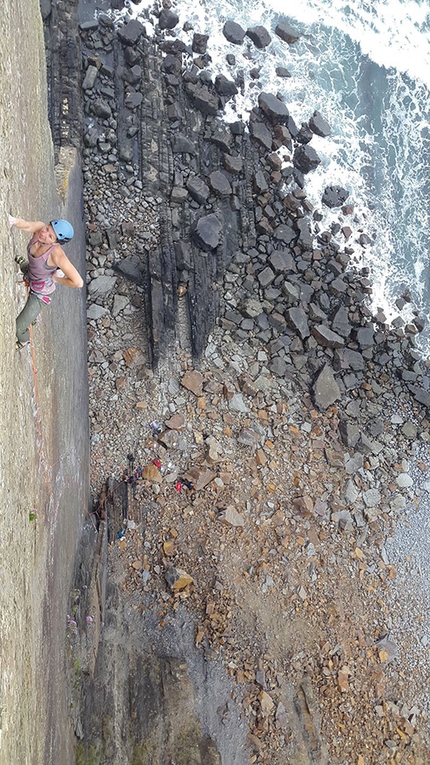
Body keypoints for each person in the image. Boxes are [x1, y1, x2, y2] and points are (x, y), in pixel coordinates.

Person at [9, 215, 84, 348]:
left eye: (51, 236)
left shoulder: (57, 255)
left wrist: (56, 279)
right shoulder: (39, 228)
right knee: (26, 267)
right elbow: (25, 224)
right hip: (31, 272)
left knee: (18, 327)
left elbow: (78, 282)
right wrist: (12, 221)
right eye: (48, 229)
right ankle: (22, 263)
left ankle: (23, 341)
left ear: (56, 242)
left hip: (40, 293)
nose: (44, 234)